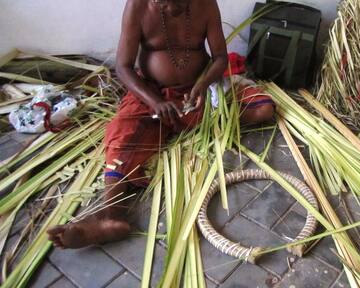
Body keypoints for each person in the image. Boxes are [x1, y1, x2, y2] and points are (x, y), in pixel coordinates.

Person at [48, 0, 274, 249]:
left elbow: (220, 57)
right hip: (151, 94)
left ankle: (184, 122)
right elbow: (123, 67)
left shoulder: (206, 4)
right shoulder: (137, 6)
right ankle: (110, 216)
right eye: (163, 2)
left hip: (197, 92)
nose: (171, 7)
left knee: (262, 109)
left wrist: (201, 85)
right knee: (123, 136)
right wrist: (155, 101)